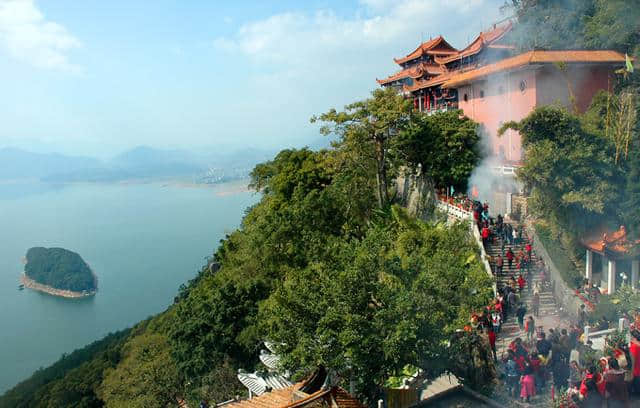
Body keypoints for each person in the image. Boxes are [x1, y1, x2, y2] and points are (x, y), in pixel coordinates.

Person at [630, 329, 640, 395]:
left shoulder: (634, 347)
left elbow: (633, 361)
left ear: (633, 337)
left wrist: (631, 374)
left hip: (637, 373)